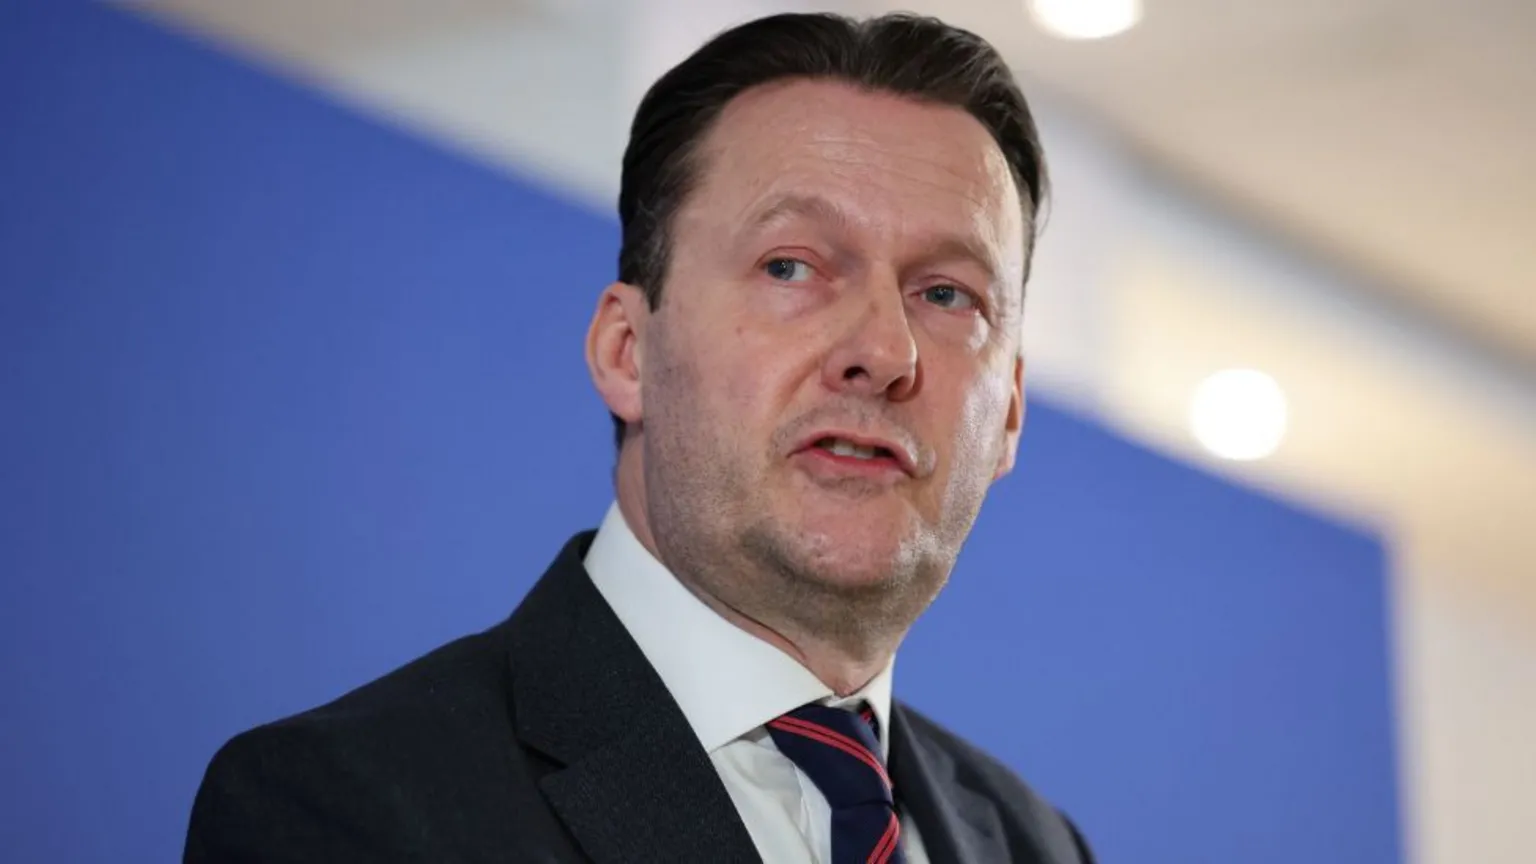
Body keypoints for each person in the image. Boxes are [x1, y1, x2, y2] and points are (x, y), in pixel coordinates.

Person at [185, 11, 1094, 864]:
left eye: (947, 295)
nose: (885, 352)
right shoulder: (341, 809)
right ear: (628, 351)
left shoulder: (1038, 844)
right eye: (791, 266)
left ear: (1009, 413)